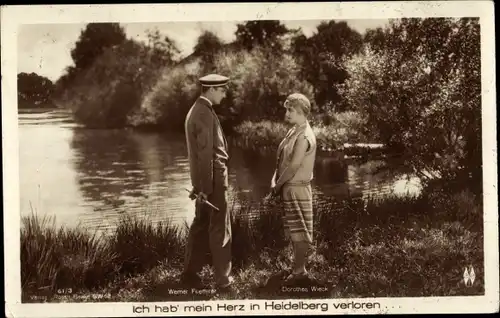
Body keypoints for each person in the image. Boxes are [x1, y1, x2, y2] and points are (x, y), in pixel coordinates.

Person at [181, 74, 233, 290]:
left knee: (201, 224)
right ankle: (223, 280)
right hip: (213, 178)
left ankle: (190, 274)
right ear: (211, 89)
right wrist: (205, 189)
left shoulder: (199, 109)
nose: (225, 94)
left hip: (204, 179)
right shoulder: (203, 112)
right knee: (220, 227)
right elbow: (205, 155)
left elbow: (199, 156)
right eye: (222, 90)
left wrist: (200, 186)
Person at [270, 93, 317, 284]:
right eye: (286, 109)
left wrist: (277, 185)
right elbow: (282, 160)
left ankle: (299, 272)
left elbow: (294, 166)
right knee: (293, 230)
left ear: (301, 112)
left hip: (297, 188)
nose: (287, 113)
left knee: (300, 233)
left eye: (291, 109)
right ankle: (297, 267)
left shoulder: (304, 135)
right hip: (288, 187)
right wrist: (275, 180)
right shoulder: (294, 131)